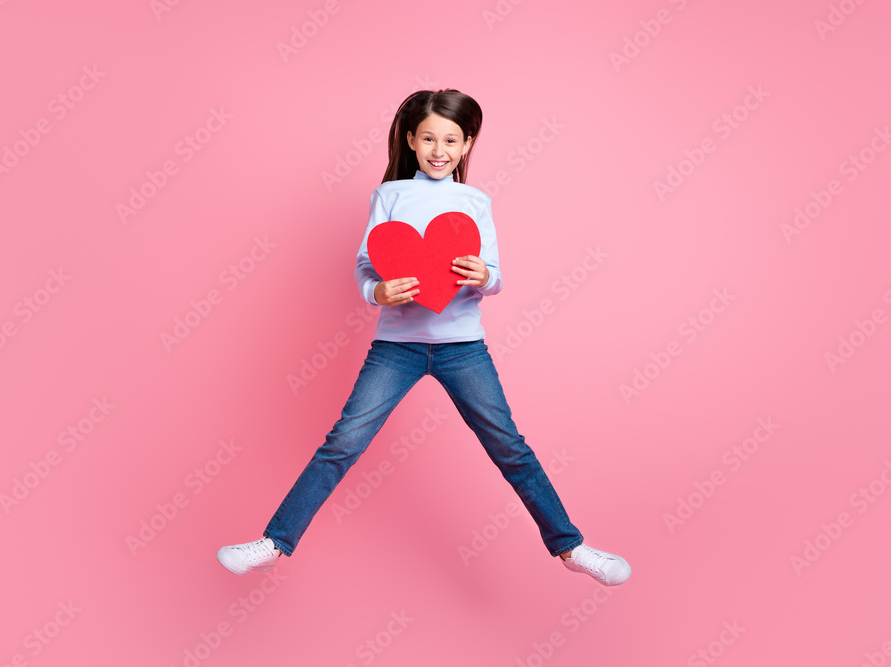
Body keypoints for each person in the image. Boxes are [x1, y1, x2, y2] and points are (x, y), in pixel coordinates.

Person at [216, 89, 631, 587]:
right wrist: (378, 290)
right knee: (342, 442)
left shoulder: (475, 201)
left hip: (463, 350)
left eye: (451, 140)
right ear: (411, 140)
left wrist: (483, 275)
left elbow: (495, 276)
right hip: (396, 349)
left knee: (509, 446)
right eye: (429, 138)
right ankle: (274, 543)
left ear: (467, 144)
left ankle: (572, 547)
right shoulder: (389, 195)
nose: (439, 149)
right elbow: (366, 268)